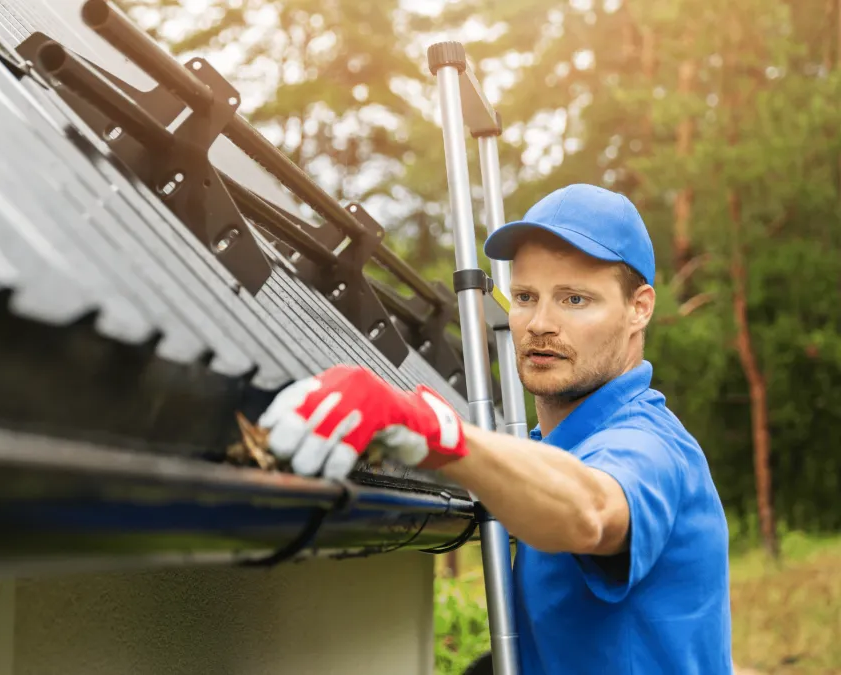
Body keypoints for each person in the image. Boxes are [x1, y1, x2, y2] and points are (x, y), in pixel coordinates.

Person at [257, 184, 732, 674]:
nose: (540, 323)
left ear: (640, 308)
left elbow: (590, 510)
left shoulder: (649, 445)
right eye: (526, 296)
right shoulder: (551, 447)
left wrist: (437, 431)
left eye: (574, 299)